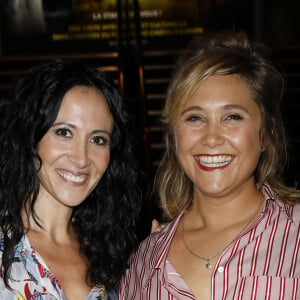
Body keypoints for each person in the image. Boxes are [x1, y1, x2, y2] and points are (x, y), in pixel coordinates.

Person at [119, 31, 300, 299]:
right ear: (175, 135)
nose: (212, 138)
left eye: (232, 117)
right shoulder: (143, 262)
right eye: (195, 118)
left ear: (266, 135)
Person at [0, 60, 141, 299]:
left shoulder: (112, 257)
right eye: (64, 132)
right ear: (31, 136)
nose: (81, 158)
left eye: (98, 139)